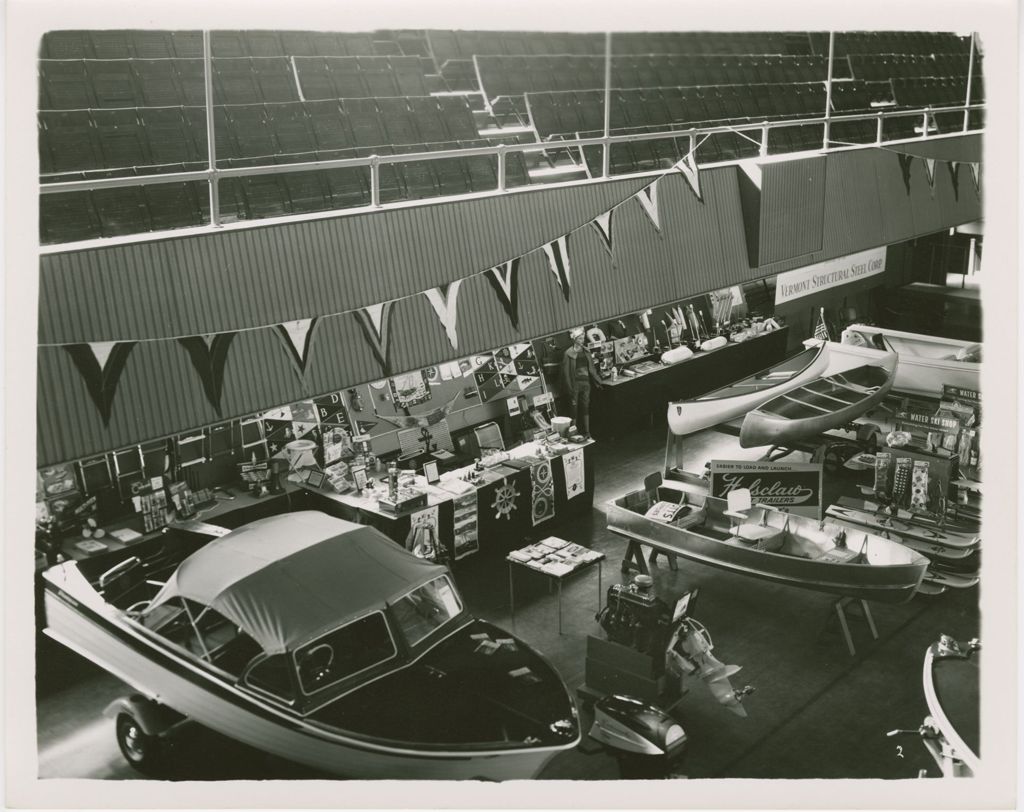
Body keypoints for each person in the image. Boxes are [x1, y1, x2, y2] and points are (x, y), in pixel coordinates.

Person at [561, 327, 604, 439]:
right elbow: (565, 374)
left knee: (585, 407)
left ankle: (587, 433)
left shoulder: (586, 351)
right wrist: (569, 388)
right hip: (574, 385)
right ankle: (573, 434)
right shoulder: (568, 354)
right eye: (580, 338)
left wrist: (599, 381)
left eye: (583, 338)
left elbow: (592, 369)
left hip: (586, 384)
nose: (582, 340)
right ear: (575, 339)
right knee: (573, 409)